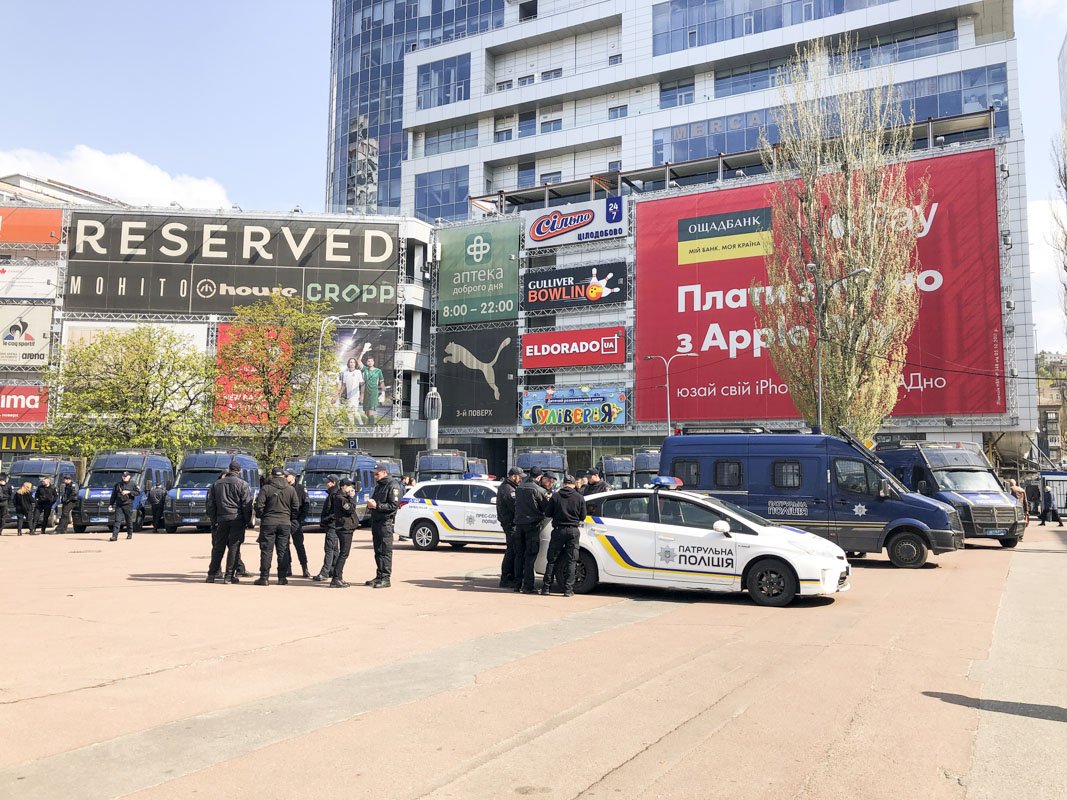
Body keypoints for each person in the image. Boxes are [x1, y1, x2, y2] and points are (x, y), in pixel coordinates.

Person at [205, 461, 253, 583]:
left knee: (218, 547)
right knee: (234, 547)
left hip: (221, 519)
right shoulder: (243, 484)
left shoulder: (216, 484)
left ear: (229, 469)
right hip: (237, 519)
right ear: (239, 470)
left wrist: (214, 520)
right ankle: (229, 576)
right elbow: (246, 505)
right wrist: (247, 521)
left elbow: (211, 505)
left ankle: (211, 575)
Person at [541, 474, 587, 597]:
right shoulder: (579, 497)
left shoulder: (555, 496)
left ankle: (546, 588)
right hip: (573, 531)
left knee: (552, 560)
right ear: (573, 484)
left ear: (563, 484)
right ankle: (568, 590)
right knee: (571, 560)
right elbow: (583, 516)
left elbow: (548, 513)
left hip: (558, 530)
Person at [253, 467, 300, 586]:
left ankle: (264, 578)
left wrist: (263, 516)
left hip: (269, 522)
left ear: (272, 476)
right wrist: (289, 518)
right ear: (283, 476)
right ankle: (282, 577)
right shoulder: (290, 489)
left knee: (266, 550)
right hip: (284, 523)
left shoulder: (266, 488)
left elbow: (259, 506)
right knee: (283, 550)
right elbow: (296, 507)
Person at [513, 470, 554, 594]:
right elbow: (547, 509)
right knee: (530, 556)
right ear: (540, 477)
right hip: (532, 526)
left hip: (519, 525)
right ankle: (528, 586)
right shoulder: (539, 491)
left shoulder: (519, 488)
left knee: (519, 556)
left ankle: (517, 585)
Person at [365, 463, 401, 588]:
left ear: (384, 472)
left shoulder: (393, 485)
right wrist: (371, 503)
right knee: (378, 550)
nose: (375, 476)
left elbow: (393, 506)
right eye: (374, 474)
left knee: (385, 551)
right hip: (376, 521)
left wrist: (377, 506)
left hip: (385, 523)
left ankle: (386, 578)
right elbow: (375, 500)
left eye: (377, 474)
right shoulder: (379, 486)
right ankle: (379, 575)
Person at [496, 467, 524, 588]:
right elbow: (515, 506)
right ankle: (506, 578)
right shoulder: (508, 489)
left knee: (513, 550)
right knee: (511, 551)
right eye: (520, 477)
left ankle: (510, 576)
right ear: (513, 476)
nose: (521, 479)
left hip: (511, 523)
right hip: (510, 524)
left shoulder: (510, 487)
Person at [330, 478, 360, 588]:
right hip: (344, 528)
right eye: (349, 486)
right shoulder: (340, 498)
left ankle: (338, 577)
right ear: (344, 487)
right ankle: (336, 578)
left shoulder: (343, 497)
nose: (351, 489)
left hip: (346, 527)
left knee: (343, 553)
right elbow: (350, 510)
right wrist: (352, 498)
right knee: (343, 553)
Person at [313, 475, 341, 581]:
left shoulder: (334, 494)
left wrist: (326, 519)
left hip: (332, 525)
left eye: (328, 482)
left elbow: (335, 512)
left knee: (329, 549)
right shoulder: (332, 494)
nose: (326, 484)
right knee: (334, 549)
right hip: (332, 525)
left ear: (333, 483)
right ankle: (333, 571)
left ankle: (325, 572)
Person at [284, 469, 311, 578]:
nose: (285, 478)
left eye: (287, 476)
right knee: (285, 545)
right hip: (284, 520)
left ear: (293, 476)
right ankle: (288, 568)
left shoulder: (300, 488)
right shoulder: (283, 487)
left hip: (296, 521)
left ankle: (304, 568)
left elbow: (306, 504)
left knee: (299, 545)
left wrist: (300, 520)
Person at [108, 471, 141, 541]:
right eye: (123, 476)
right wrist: (110, 504)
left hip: (128, 504)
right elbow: (113, 495)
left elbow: (138, 492)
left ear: (129, 477)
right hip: (119, 505)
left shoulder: (133, 484)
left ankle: (129, 533)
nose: (124, 477)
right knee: (117, 520)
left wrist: (129, 492)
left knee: (128, 520)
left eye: (125, 476)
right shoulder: (118, 485)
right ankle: (114, 536)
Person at [337, 357, 366, 425]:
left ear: (355, 364)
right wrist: (340, 393)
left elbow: (362, 384)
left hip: (355, 395)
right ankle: (353, 425)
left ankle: (360, 423)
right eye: (351, 362)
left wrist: (362, 394)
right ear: (348, 364)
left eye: (353, 362)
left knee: (353, 410)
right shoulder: (345, 373)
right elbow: (344, 385)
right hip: (349, 395)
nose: (352, 363)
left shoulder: (358, 372)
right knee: (350, 411)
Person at [360, 351, 385, 424]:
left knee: (370, 411)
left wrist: (383, 393)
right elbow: (359, 361)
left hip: (373, 393)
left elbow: (382, 382)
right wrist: (363, 352)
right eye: (368, 361)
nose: (370, 362)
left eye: (371, 361)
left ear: (373, 362)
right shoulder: (365, 369)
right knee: (366, 412)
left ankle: (371, 426)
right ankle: (369, 424)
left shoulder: (378, 371)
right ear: (367, 362)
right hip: (366, 393)